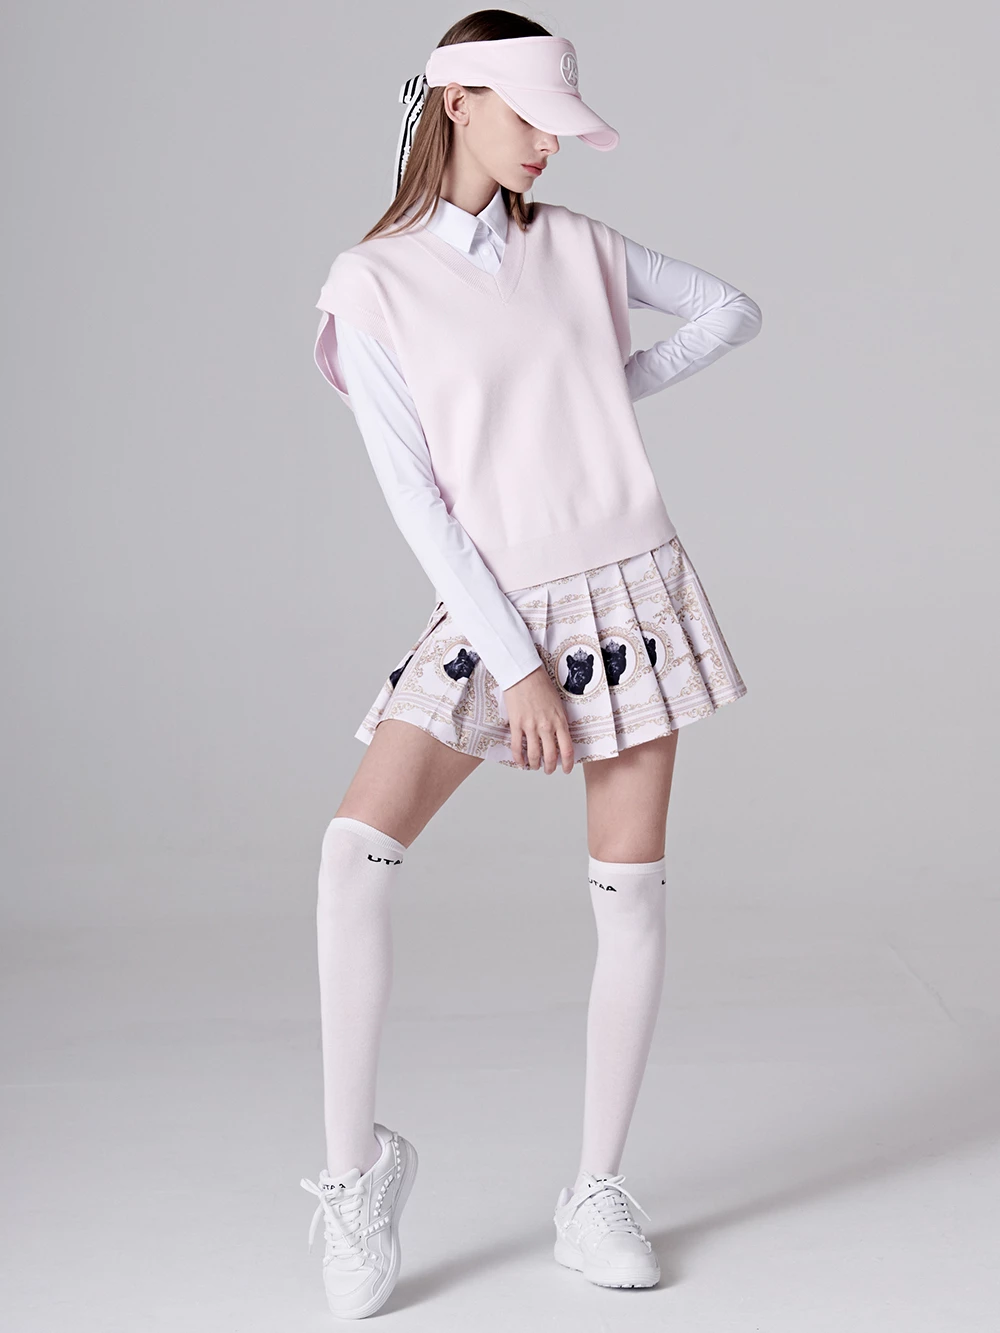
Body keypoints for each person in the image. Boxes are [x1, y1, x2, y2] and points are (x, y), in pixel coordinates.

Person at [299, 11, 762, 1319]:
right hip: (494, 603)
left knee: (631, 895)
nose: (551, 145)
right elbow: (420, 502)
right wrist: (513, 665)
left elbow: (733, 310)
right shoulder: (372, 282)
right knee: (353, 858)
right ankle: (354, 1179)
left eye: (562, 123)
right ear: (456, 102)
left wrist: (601, 396)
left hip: (630, 586)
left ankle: (596, 1191)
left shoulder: (580, 246)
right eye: (532, 118)